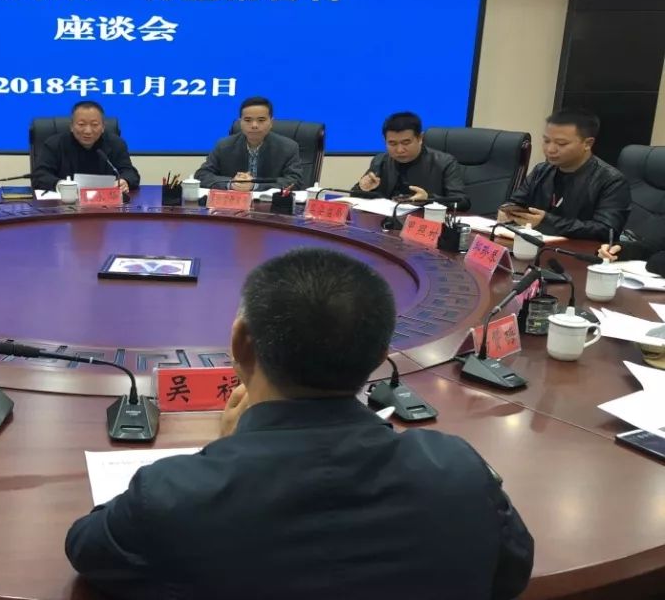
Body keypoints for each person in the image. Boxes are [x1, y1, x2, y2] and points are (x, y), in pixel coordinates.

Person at [66, 248, 533, 600]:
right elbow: (512, 570)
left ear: (240, 344)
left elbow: (87, 549)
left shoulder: (173, 494)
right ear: (380, 355)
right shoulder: (458, 472)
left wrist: (219, 456)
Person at [499, 109, 629, 241]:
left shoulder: (611, 180)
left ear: (587, 144)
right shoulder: (541, 170)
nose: (550, 149)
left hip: (579, 250)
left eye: (561, 144)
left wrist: (546, 222)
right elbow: (517, 202)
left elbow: (606, 230)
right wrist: (507, 211)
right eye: (546, 141)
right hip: (534, 246)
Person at [351, 112, 469, 208]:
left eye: (406, 142)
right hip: (388, 222)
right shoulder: (380, 160)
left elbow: (462, 202)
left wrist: (429, 199)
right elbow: (355, 195)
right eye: (392, 143)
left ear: (420, 138)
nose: (399, 150)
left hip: (425, 223)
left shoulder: (445, 162)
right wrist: (362, 188)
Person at [195, 97, 306, 191]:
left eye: (261, 120)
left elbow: (295, 181)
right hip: (233, 203)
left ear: (271, 122)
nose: (254, 125)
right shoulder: (223, 146)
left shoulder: (288, 147)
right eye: (248, 120)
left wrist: (255, 186)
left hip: (271, 206)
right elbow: (202, 175)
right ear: (240, 122)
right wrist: (232, 183)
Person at [31, 101, 139, 193]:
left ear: (103, 127)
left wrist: (125, 181)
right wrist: (60, 184)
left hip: (106, 205)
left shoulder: (116, 144)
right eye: (81, 124)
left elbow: (130, 173)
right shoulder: (55, 144)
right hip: (64, 204)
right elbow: (39, 175)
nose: (88, 131)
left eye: (94, 124)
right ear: (71, 126)